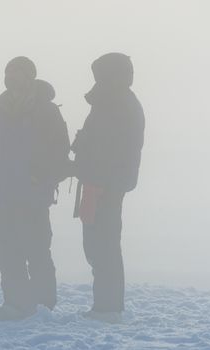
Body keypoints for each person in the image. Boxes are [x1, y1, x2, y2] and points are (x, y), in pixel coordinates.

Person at [0, 56, 70, 321]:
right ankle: (15, 303)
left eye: (17, 73)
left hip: (33, 196)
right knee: (6, 251)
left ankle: (42, 306)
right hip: (3, 193)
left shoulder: (46, 110)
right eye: (8, 72)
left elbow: (59, 152)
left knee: (37, 249)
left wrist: (40, 178)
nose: (11, 78)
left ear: (30, 76)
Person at [71, 52, 145, 323]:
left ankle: (109, 307)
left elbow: (115, 149)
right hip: (98, 183)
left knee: (104, 247)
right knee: (97, 246)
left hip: (106, 186)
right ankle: (105, 305)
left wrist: (98, 175)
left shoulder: (119, 104)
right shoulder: (109, 102)